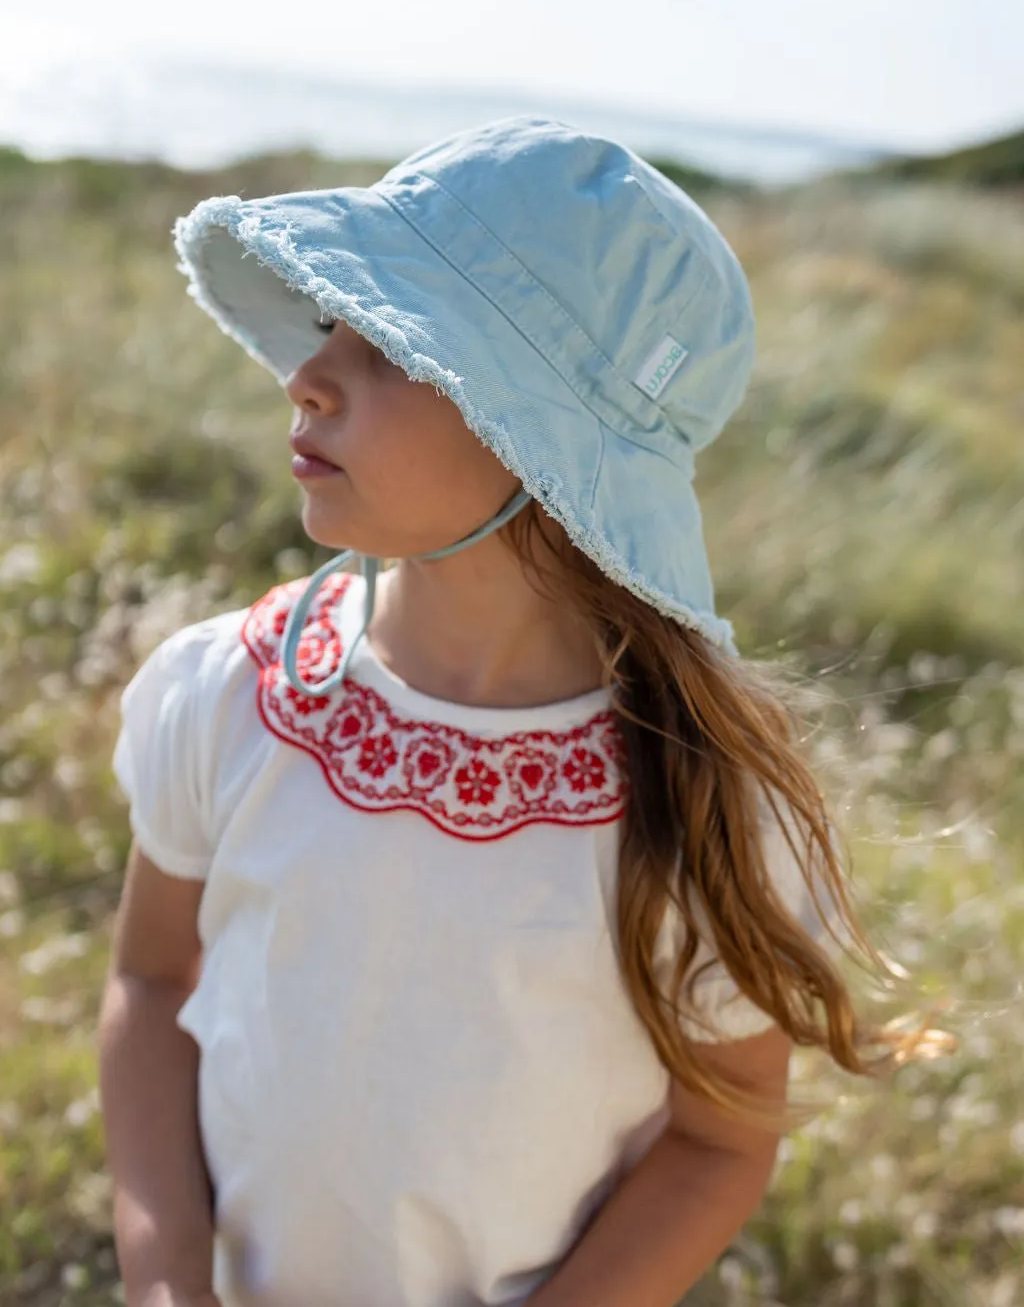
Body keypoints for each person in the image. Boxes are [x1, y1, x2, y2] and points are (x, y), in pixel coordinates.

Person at [97, 115, 949, 1307]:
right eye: (333, 320)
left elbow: (717, 1145)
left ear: (541, 449)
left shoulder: (688, 796)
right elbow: (148, 982)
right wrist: (164, 1272)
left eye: (393, 346)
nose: (309, 373)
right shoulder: (236, 689)